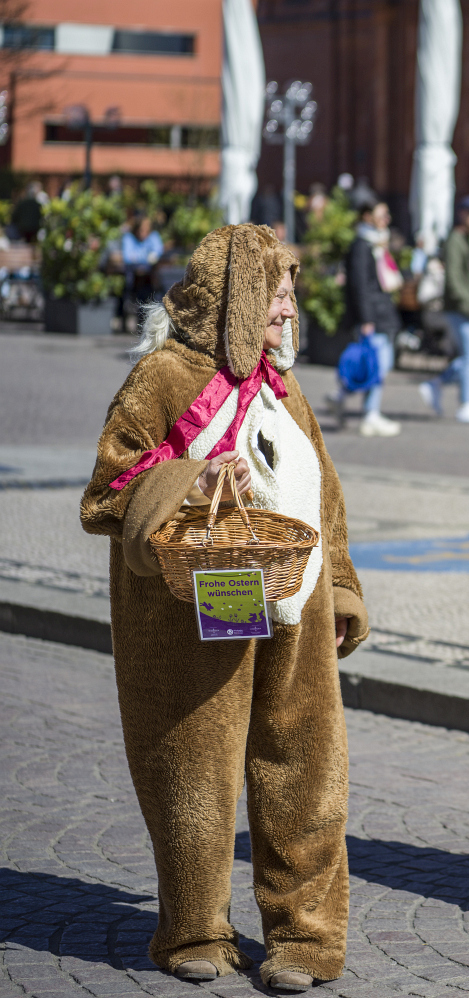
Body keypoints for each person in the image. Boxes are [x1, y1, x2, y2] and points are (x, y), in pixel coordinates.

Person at [79, 224, 368, 990]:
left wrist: (339, 586)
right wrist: (193, 481)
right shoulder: (162, 378)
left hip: (292, 603)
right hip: (189, 608)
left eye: (289, 294)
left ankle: (305, 937)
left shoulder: (283, 382)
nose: (288, 309)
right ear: (236, 298)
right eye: (275, 295)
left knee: (305, 768)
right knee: (193, 775)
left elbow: (325, 495)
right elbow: (107, 493)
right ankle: (194, 931)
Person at [421, 194, 469, 426]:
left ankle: (437, 383)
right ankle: (466, 404)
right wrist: (468, 304)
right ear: (463, 215)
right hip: (463, 309)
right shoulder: (456, 239)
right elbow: (453, 279)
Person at [334, 199, 403, 437]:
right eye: (381, 214)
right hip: (373, 315)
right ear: (367, 217)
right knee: (379, 363)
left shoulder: (377, 244)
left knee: (379, 363)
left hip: (380, 312)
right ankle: (370, 414)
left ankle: (340, 397)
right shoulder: (362, 246)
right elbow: (360, 285)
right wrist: (366, 319)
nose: (386, 220)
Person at [120, 213, 165, 325]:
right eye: (141, 230)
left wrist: (140, 257)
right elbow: (128, 257)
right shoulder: (128, 238)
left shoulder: (154, 236)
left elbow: (158, 252)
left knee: (151, 289)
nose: (143, 233)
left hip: (149, 277)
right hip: (132, 276)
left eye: (146, 230)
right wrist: (146, 257)